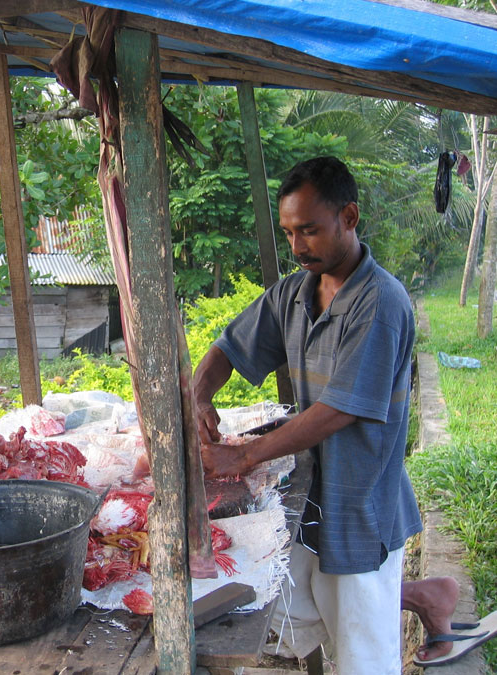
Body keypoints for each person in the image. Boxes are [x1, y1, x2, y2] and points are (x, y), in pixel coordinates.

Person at [192, 156, 421, 673]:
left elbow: (338, 410)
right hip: (307, 502)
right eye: (290, 232)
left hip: (360, 507)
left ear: (350, 217)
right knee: (288, 629)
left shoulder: (380, 303)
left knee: (365, 658)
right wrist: (200, 396)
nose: (297, 246)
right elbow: (229, 348)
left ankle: (425, 597)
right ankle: (426, 596)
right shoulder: (295, 293)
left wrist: (243, 455)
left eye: (310, 231)